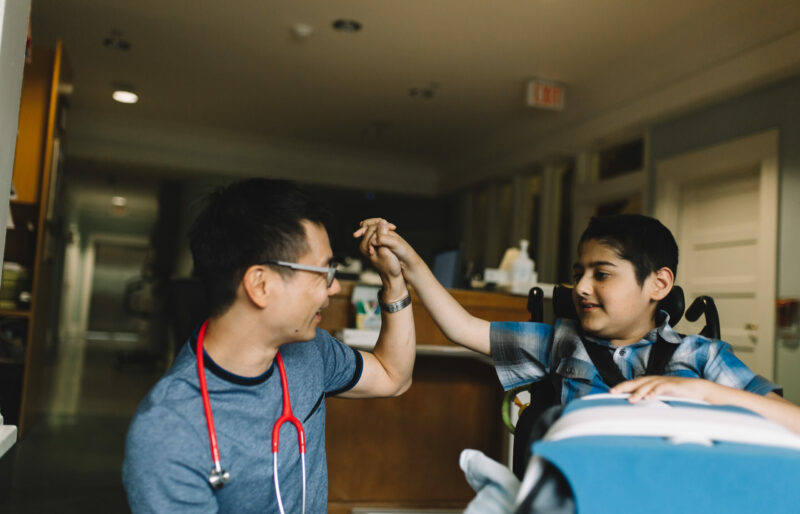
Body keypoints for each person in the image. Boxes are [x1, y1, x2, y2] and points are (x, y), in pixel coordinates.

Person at [356, 213, 800, 434]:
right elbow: (461, 327)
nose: (581, 288)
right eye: (579, 273)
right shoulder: (561, 343)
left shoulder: (700, 356)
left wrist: (705, 391)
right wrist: (407, 264)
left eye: (601, 274)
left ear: (658, 284)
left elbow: (791, 422)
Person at [123, 180, 415, 513]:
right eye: (324, 271)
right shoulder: (169, 431)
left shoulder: (311, 350)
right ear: (260, 284)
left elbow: (394, 376)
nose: (332, 289)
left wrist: (393, 281)